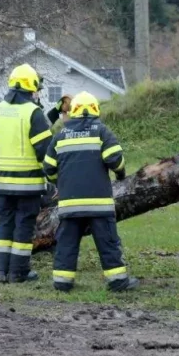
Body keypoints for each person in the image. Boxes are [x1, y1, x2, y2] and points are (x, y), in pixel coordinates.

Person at [43, 91, 137, 292]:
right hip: (99, 205)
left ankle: (62, 282)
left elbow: (48, 168)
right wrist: (121, 175)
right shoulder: (101, 131)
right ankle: (118, 282)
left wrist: (60, 182)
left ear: (73, 111)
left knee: (67, 243)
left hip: (69, 205)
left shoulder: (61, 135)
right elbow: (116, 160)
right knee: (107, 243)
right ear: (95, 110)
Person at [0, 64, 54, 283]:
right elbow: (45, 151)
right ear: (31, 87)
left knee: (5, 224)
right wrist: (53, 178)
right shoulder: (33, 112)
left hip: (3, 184)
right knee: (24, 227)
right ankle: (18, 272)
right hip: (28, 185)